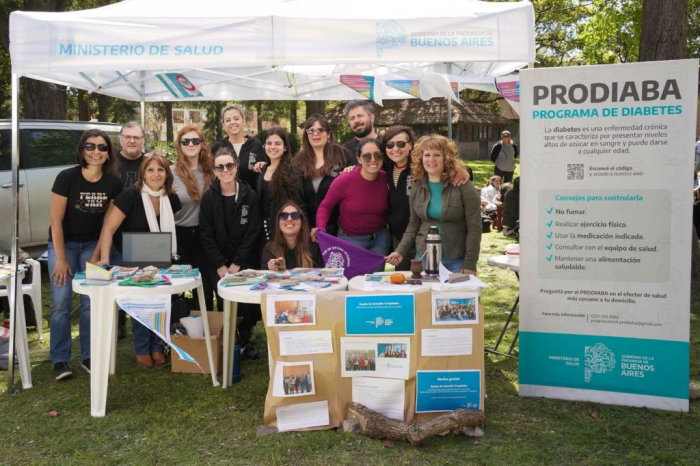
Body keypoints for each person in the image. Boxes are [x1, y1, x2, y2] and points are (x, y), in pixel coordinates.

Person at [48, 129, 123, 380]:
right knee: (61, 302)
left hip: (93, 243)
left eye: (102, 147)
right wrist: (60, 258)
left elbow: (108, 224)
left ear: (108, 153)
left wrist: (98, 254)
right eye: (90, 146)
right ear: (82, 150)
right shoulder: (66, 177)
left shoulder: (113, 182)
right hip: (63, 245)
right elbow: (56, 222)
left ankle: (89, 356)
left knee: (91, 302)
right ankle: (60, 360)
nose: (96, 152)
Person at [96, 153, 181, 368]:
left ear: (166, 174)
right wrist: (105, 258)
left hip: (161, 258)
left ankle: (156, 345)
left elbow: (171, 226)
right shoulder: (130, 195)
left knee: (160, 302)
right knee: (141, 304)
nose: (155, 174)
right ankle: (142, 347)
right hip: (132, 259)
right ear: (143, 173)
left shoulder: (171, 198)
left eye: (160, 169)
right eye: (150, 169)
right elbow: (109, 227)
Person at [386, 134, 482, 274]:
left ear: (446, 158)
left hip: (456, 261)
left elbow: (475, 228)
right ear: (421, 158)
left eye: (437, 155)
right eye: (427, 155)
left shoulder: (462, 185)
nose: (431, 160)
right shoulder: (417, 187)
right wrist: (400, 252)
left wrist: (470, 263)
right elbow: (413, 225)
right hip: (424, 259)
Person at [199, 148, 262, 358]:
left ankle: (246, 337)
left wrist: (236, 263)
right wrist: (220, 265)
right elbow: (205, 234)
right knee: (222, 297)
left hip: (242, 259)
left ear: (236, 167)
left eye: (229, 166)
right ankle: (228, 337)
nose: (225, 170)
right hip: (217, 262)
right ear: (214, 171)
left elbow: (253, 231)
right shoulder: (209, 197)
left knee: (243, 300)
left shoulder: (249, 195)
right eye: (220, 167)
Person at [313, 138, 389, 259]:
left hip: (379, 240)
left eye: (378, 155)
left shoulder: (387, 179)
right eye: (367, 156)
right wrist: (321, 228)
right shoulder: (344, 180)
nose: (373, 160)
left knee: (376, 278)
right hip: (350, 240)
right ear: (358, 159)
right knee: (352, 278)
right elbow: (326, 206)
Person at [171, 125, 216, 311]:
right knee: (176, 288)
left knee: (204, 288)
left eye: (195, 141)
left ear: (202, 144)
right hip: (178, 236)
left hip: (204, 235)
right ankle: (175, 330)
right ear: (179, 146)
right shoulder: (170, 172)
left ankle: (204, 332)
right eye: (185, 141)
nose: (190, 144)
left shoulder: (212, 171)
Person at [114, 121, 147, 339]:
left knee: (140, 285)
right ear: (121, 139)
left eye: (136, 137)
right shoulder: (111, 161)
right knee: (116, 280)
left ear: (143, 141)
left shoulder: (150, 162)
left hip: (142, 235)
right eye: (128, 137)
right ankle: (117, 325)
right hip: (115, 230)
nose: (132, 141)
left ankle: (142, 330)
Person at [293, 114, 352, 236]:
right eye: (311, 130)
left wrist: (352, 170)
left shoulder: (342, 155)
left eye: (320, 130)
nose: (316, 134)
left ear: (329, 133)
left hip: (338, 229)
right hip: (306, 229)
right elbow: (295, 196)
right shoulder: (298, 162)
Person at [255, 127, 305, 244]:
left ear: (285, 147)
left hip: (285, 234)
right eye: (269, 143)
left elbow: (299, 205)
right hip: (263, 234)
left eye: (277, 143)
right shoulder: (262, 170)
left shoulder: (293, 172)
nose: (272, 147)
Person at [210, 105, 266, 187]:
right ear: (223, 124)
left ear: (243, 121)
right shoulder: (217, 147)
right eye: (228, 120)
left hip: (251, 197)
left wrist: (263, 165)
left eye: (236, 118)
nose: (233, 122)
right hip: (225, 197)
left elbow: (265, 170)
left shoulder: (255, 145)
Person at [262, 202, 322, 271]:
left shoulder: (314, 244)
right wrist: (272, 271)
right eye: (284, 215)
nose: (289, 219)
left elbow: (322, 275)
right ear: (278, 222)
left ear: (301, 221)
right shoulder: (270, 249)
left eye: (295, 215)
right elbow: (264, 279)